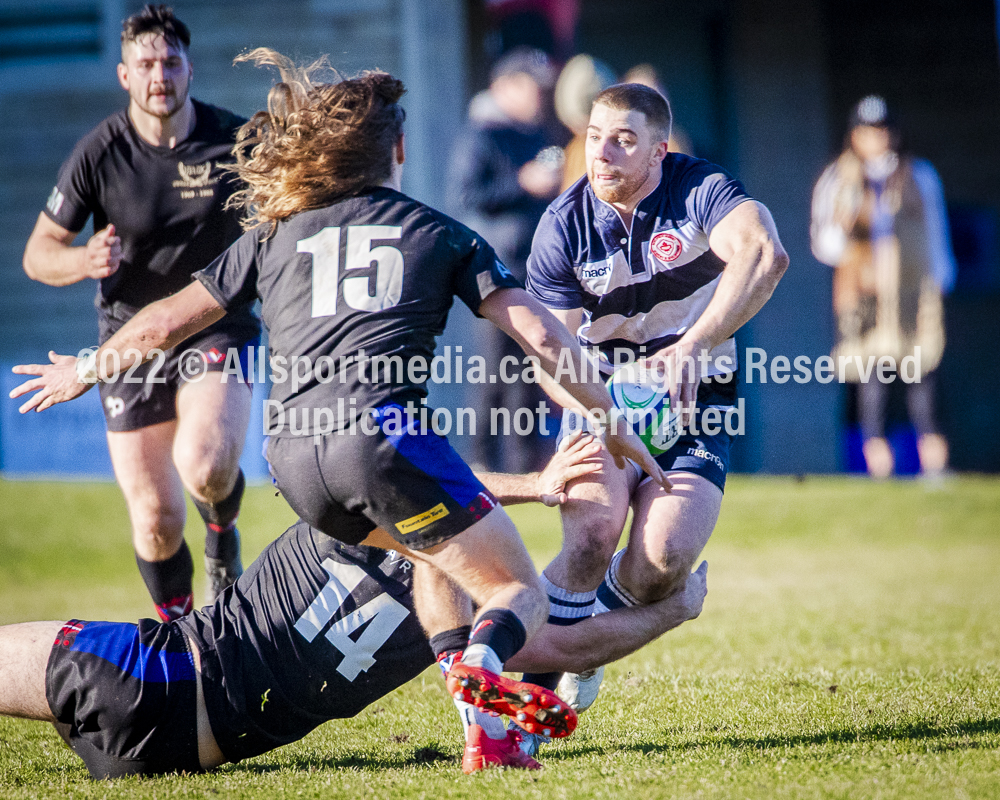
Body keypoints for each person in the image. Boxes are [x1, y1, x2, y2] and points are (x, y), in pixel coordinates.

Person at [11, 50, 668, 768]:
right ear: (399, 150)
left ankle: (474, 709)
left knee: (432, 549)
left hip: (290, 457)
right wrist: (610, 422)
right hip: (381, 438)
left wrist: (88, 365)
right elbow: (542, 335)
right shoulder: (439, 231)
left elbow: (168, 319)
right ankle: (480, 664)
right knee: (515, 589)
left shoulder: (274, 230)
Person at [0, 444, 709, 779]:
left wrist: (533, 486)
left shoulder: (353, 514)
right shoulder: (454, 617)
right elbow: (562, 649)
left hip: (138, 670)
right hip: (193, 750)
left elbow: (317, 475)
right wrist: (673, 610)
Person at [519, 82, 788, 752]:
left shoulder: (700, 189)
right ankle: (528, 711)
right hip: (597, 404)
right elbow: (551, 355)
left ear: (661, 150)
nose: (603, 152)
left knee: (663, 558)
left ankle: (586, 643)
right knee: (589, 536)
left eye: (624, 139)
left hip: (697, 407)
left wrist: (692, 348)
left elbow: (765, 254)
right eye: (594, 136)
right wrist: (604, 412)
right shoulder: (563, 224)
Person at [20, 5, 260, 621]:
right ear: (125, 75)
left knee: (205, 466)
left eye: (171, 62)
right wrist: (82, 261)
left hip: (214, 324)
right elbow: (38, 255)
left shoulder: (232, 141)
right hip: (129, 339)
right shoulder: (98, 153)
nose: (160, 76)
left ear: (190, 68)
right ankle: (182, 638)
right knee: (155, 518)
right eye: (146, 64)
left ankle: (221, 532)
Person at [811, 95, 953, 479]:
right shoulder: (838, 179)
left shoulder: (917, 175)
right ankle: (879, 470)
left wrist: (940, 279)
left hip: (910, 293)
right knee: (870, 384)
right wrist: (849, 231)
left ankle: (934, 468)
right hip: (863, 296)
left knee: (920, 377)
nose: (877, 139)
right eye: (868, 131)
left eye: (882, 130)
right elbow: (824, 244)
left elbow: (935, 233)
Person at [448, 47, 564, 473]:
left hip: (536, 271)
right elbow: (465, 197)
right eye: (532, 87)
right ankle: (481, 462)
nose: (540, 96)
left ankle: (523, 464)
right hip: (495, 272)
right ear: (505, 86)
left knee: (533, 373)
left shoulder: (538, 135)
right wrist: (522, 183)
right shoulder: (480, 134)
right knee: (494, 374)